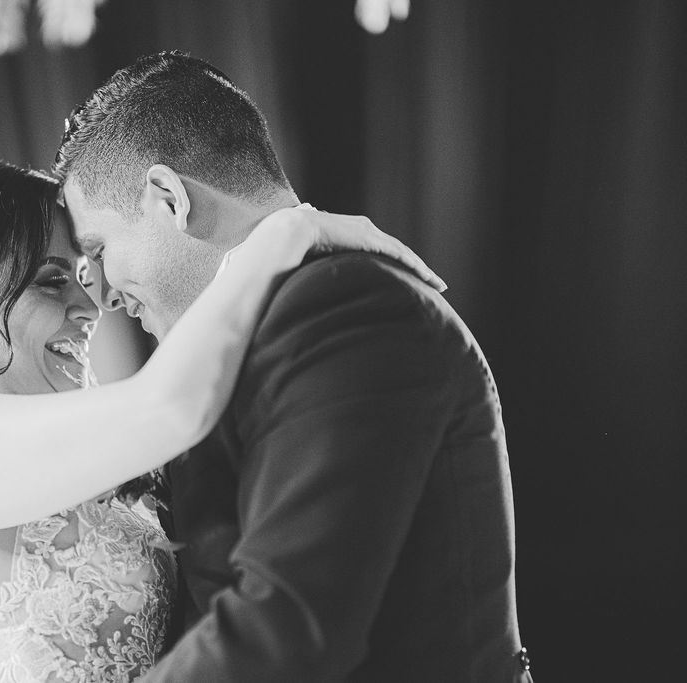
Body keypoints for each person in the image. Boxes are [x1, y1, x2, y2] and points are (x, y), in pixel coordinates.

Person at [0, 158, 442, 682]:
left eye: (81, 274)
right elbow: (174, 406)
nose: (89, 307)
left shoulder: (49, 433)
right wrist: (286, 231)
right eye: (51, 282)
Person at [53, 51, 532, 682]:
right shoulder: (254, 333)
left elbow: (287, 627)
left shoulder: (343, 308)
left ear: (169, 198)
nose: (104, 296)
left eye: (99, 250)